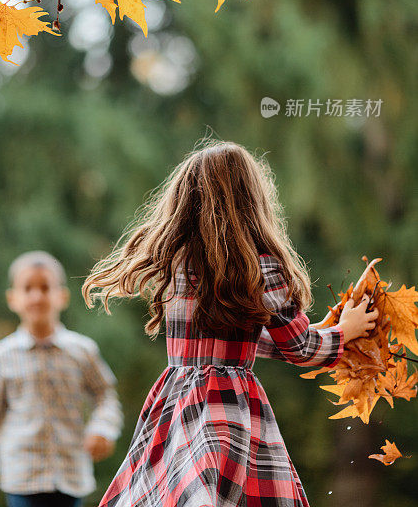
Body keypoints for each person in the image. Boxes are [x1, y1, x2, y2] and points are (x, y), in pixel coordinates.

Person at [82, 141, 378, 507]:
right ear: (252, 200)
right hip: (228, 405)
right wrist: (345, 330)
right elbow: (300, 348)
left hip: (176, 402)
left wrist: (321, 332)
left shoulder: (178, 264)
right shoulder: (262, 267)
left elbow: (233, 338)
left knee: (182, 494)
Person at [0, 250, 123, 507]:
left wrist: (103, 428)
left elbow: (106, 396)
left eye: (45, 287)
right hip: (22, 481)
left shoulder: (82, 351)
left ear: (62, 296)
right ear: (12, 298)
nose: (37, 296)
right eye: (27, 288)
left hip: (71, 478)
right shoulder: (2, 356)